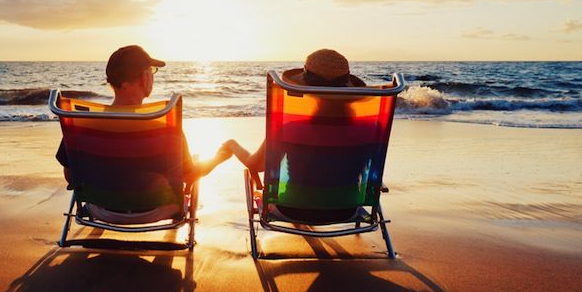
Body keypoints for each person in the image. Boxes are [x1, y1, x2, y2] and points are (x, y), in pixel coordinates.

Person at [55, 45, 233, 186]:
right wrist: (217, 158)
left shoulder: (84, 124)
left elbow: (71, 176)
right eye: (151, 71)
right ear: (144, 78)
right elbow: (189, 176)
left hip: (99, 208)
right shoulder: (166, 126)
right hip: (155, 210)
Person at [222, 48, 366, 172]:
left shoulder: (290, 129)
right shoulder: (367, 131)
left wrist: (232, 145)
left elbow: (256, 165)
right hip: (350, 205)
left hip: (289, 205)